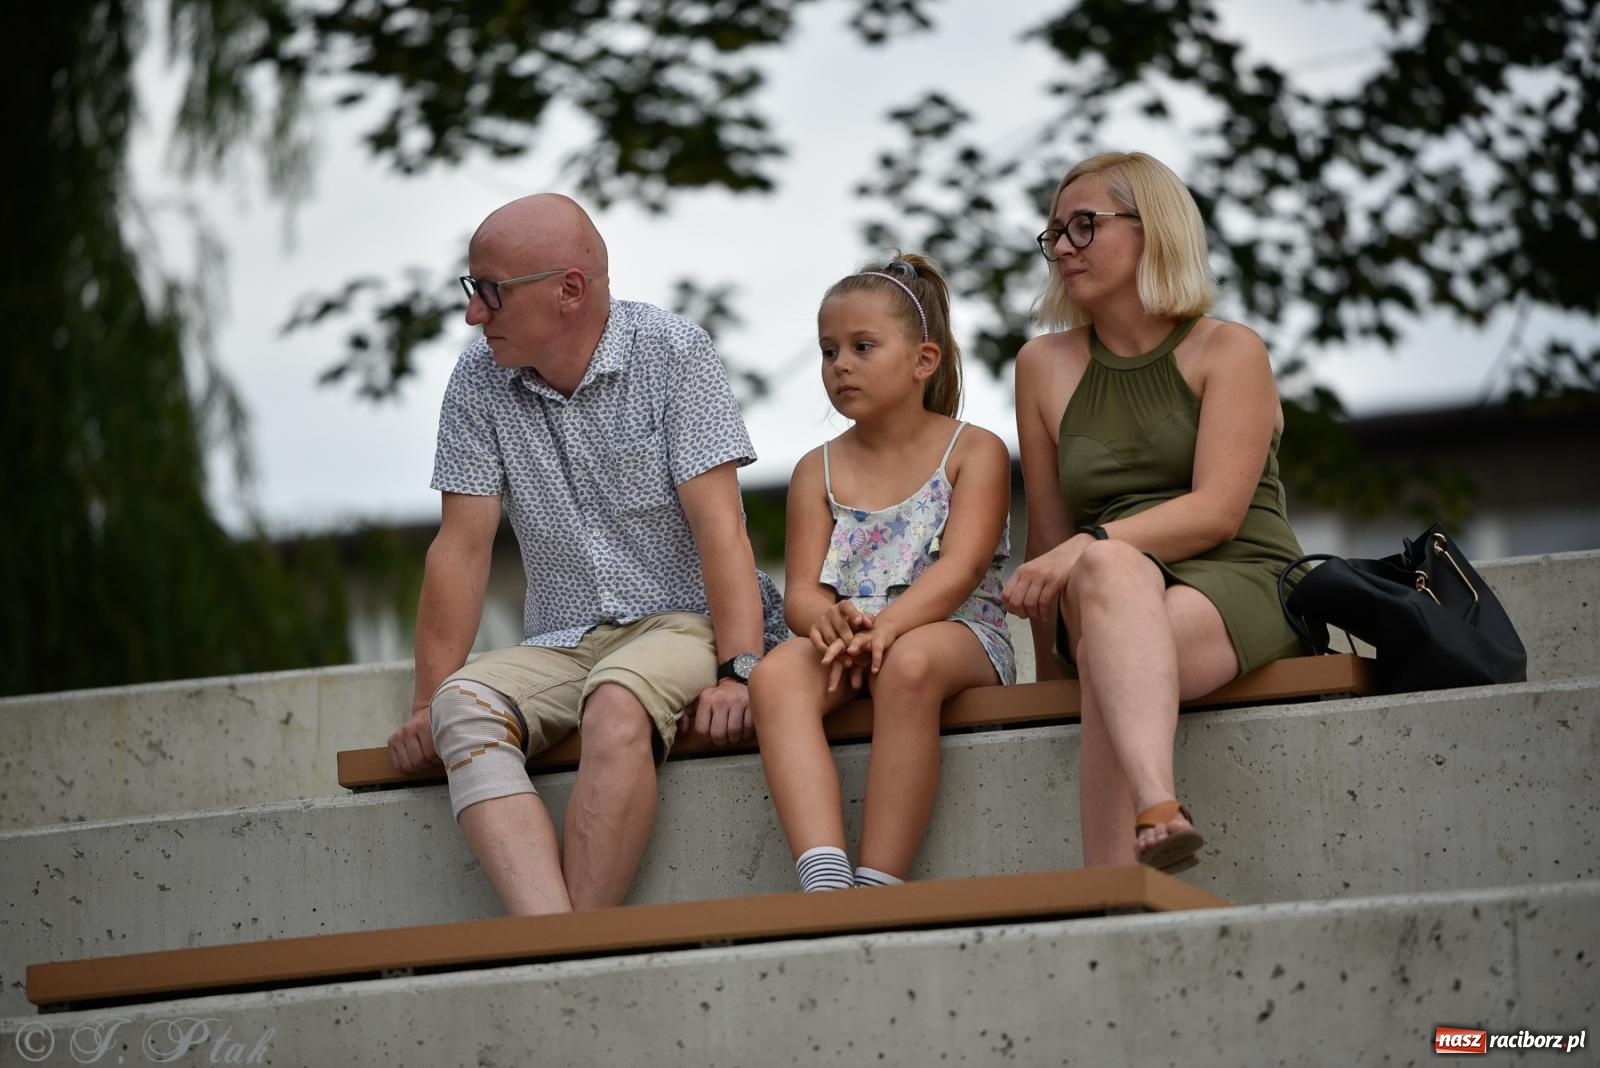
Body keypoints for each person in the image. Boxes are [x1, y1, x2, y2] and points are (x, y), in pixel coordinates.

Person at [386, 193, 786, 916]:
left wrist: (738, 672)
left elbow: (722, 528)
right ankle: (555, 937)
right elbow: (461, 547)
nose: (474, 314)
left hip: (682, 624)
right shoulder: (476, 379)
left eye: (490, 291)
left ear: (569, 289)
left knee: (618, 700)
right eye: (472, 290)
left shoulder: (674, 353)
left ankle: (574, 947)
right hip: (563, 642)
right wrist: (423, 704)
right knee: (461, 707)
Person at [1003, 151, 1308, 874]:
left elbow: (1217, 514)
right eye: (1055, 234)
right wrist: (1050, 683)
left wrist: (1091, 546)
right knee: (1109, 587)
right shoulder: (1041, 366)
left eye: (1086, 226)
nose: (1065, 250)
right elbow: (1046, 536)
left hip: (1240, 579)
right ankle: (1156, 811)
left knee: (1107, 576)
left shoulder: (1227, 349)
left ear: (1156, 229)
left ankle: (1113, 875)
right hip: (1110, 595)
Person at [750, 254, 1014, 892]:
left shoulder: (974, 450)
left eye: (862, 347)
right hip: (852, 638)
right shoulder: (816, 468)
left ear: (924, 360)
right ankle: (825, 875)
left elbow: (963, 567)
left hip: (954, 629)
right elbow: (805, 593)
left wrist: (888, 628)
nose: (839, 364)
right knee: (775, 677)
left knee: (910, 665)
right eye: (828, 350)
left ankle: (880, 880)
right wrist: (832, 620)